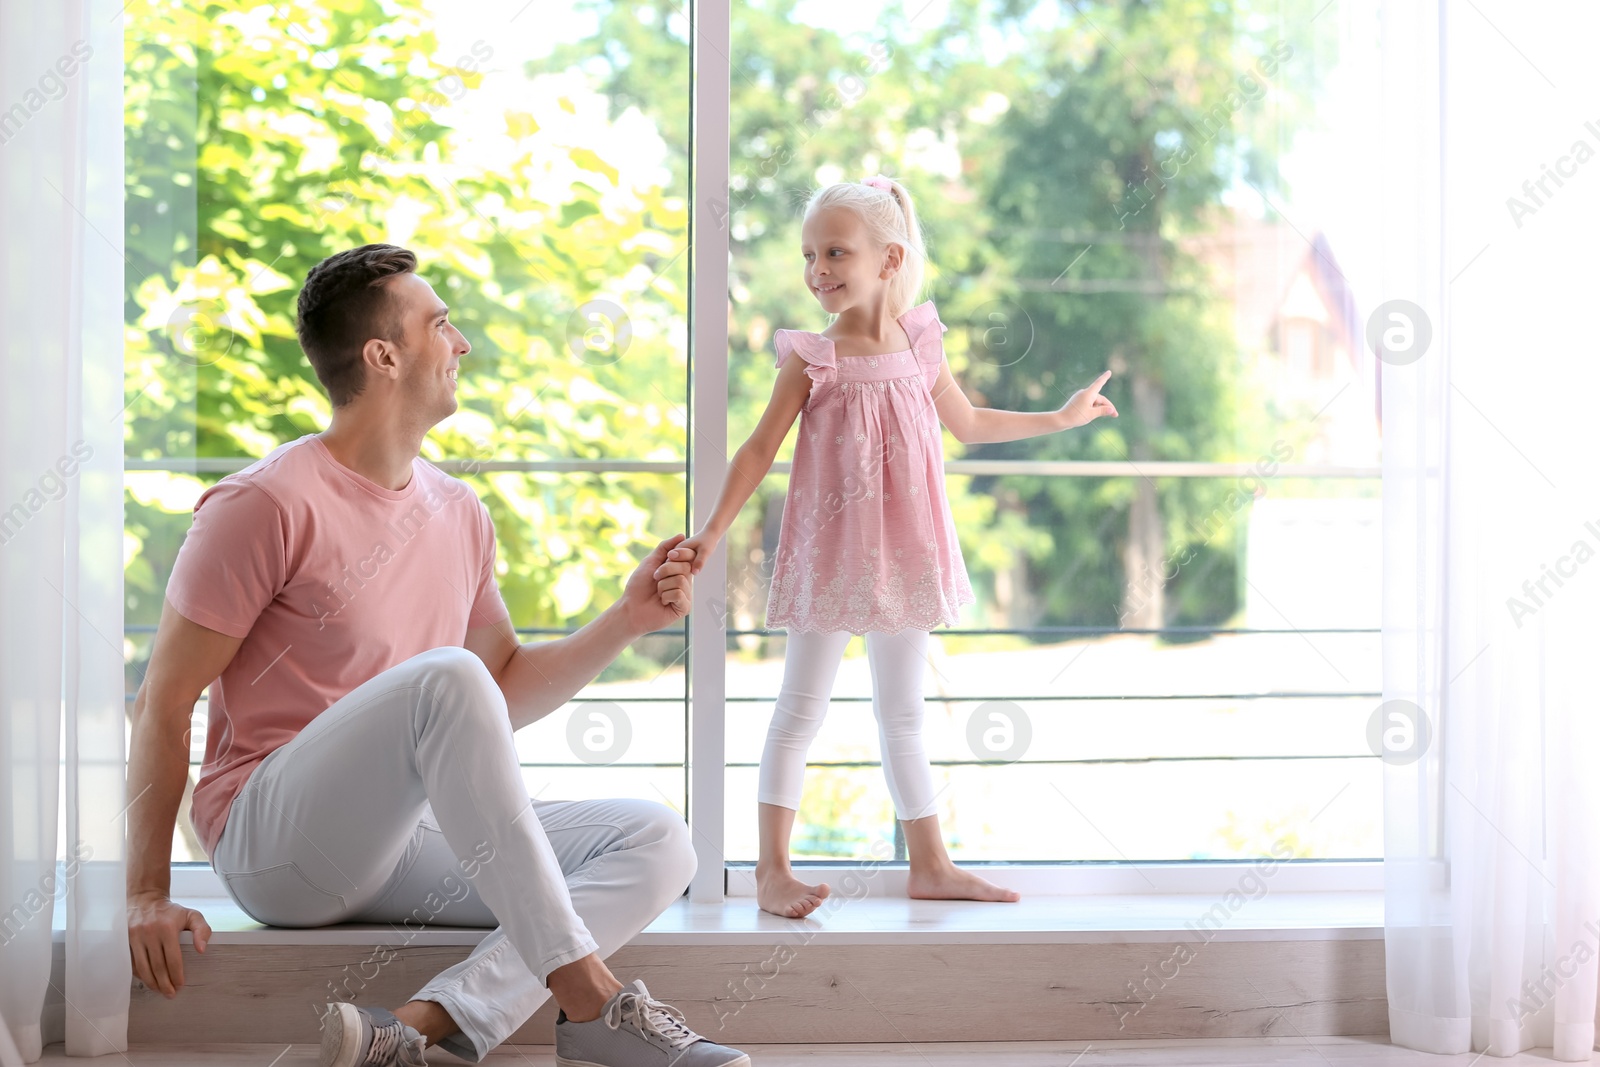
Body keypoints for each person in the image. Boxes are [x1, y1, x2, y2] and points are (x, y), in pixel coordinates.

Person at [124, 244, 749, 1067]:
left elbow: (496, 690)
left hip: (403, 840)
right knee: (444, 676)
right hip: (272, 841)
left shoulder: (459, 511)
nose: (461, 345)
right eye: (441, 325)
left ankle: (425, 1026)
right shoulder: (261, 503)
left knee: (661, 837)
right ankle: (592, 1003)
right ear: (383, 356)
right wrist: (144, 893)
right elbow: (164, 702)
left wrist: (627, 618)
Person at [678, 175, 1119, 919]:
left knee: (904, 714)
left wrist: (1062, 418)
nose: (818, 270)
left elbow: (971, 423)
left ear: (889, 259)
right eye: (809, 255)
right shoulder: (811, 356)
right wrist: (712, 532)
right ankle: (772, 870)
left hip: (906, 553)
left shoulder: (922, 344)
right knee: (798, 709)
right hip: (830, 555)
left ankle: (931, 863)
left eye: (835, 252)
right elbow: (758, 448)